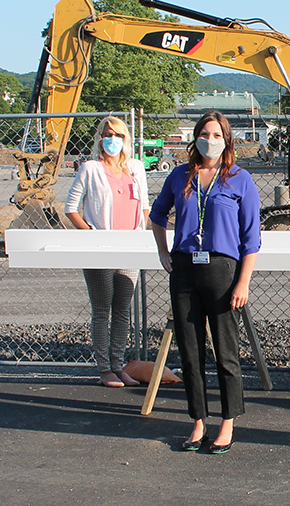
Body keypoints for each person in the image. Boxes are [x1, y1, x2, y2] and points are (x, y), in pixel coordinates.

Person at [149, 111, 260, 454]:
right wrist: (163, 251)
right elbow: (157, 215)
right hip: (184, 268)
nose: (209, 140)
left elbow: (251, 238)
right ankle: (198, 421)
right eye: (204, 134)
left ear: (226, 140)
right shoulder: (179, 176)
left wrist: (243, 282)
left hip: (222, 270)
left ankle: (227, 422)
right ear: (195, 137)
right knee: (190, 352)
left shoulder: (240, 179)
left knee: (226, 352)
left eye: (216, 135)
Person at [65, 116, 151, 388]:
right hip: (99, 249)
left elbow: (145, 204)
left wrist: (139, 232)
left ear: (126, 139)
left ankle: (118, 365)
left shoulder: (136, 168)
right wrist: (92, 235)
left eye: (117, 134)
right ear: (100, 139)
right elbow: (71, 208)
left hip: (129, 247)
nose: (112, 139)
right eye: (107, 134)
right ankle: (105, 369)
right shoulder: (90, 169)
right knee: (102, 309)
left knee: (122, 308)